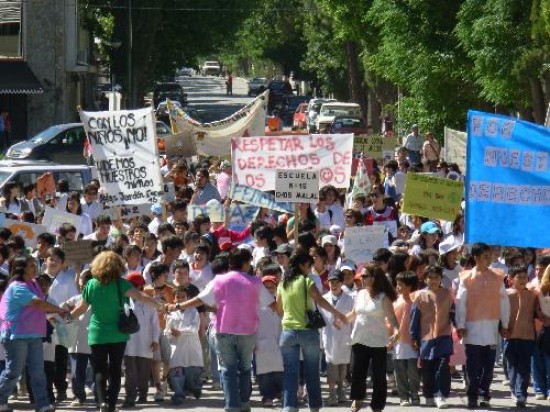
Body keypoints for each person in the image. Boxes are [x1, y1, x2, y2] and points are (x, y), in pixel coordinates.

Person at [165, 248, 275, 412]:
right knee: (245, 369)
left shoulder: (219, 280)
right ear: (245, 263)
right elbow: (273, 304)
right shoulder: (255, 282)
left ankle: (231, 406)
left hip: (224, 331)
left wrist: (177, 306)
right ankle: (244, 403)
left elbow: (199, 299)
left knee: (228, 369)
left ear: (231, 263)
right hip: (248, 332)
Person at [69, 251, 163, 412]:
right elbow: (141, 297)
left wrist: (65, 318)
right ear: (118, 267)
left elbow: (81, 309)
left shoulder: (91, 284)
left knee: (99, 370)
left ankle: (101, 403)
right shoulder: (122, 284)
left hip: (97, 334)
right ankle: (112, 404)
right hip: (118, 334)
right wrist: (160, 306)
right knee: (115, 369)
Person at [276, 252, 348, 412]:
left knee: (290, 372)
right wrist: (338, 313)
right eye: (308, 265)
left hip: (288, 331)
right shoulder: (306, 281)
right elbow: (320, 300)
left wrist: (289, 317)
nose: (310, 269)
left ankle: (289, 406)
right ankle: (314, 406)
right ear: (302, 265)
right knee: (312, 371)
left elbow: (279, 309)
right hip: (308, 331)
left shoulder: (283, 284)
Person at [0, 256, 68, 412]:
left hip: (34, 334)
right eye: (31, 266)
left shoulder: (34, 283)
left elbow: (40, 305)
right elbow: (37, 303)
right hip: (15, 335)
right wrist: (59, 310)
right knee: (13, 372)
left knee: (38, 372)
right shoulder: (17, 286)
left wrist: (58, 310)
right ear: (21, 268)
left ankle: (42, 404)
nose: (35, 268)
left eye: (35, 265)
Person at [456, 242, 511, 409]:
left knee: (488, 367)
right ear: (476, 258)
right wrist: (460, 324)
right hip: (472, 329)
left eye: (490, 256)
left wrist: (505, 323)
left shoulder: (497, 276)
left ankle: (484, 393)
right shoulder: (466, 278)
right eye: (485, 256)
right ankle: (472, 394)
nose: (489, 259)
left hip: (492, 328)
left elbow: (504, 302)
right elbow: (461, 303)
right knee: (473, 367)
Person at [346, 263, 399, 412]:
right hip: (359, 338)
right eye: (361, 275)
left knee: (379, 377)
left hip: (378, 342)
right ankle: (358, 398)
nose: (361, 278)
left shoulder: (384, 298)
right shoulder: (360, 293)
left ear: (374, 278)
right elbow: (353, 313)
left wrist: (396, 331)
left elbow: (392, 318)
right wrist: (340, 319)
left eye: (365, 276)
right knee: (357, 373)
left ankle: (377, 406)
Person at [410, 265, 454, 409]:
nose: (433, 280)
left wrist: (459, 327)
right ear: (425, 279)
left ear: (441, 278)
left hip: (444, 335)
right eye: (430, 277)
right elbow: (414, 318)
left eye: (436, 277)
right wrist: (413, 337)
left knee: (443, 366)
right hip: (425, 338)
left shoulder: (448, 294)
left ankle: (441, 395)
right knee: (427, 368)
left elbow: (453, 313)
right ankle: (429, 395)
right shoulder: (419, 296)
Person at [122, 272, 160, 408]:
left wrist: (155, 340)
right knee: (130, 372)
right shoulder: (124, 301)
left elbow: (155, 324)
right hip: (128, 343)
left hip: (146, 343)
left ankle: (143, 395)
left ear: (140, 287)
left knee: (144, 372)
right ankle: (130, 397)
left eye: (132, 286)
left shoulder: (149, 302)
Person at [319, 269, 354, 406]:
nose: (333, 284)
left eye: (337, 282)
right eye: (331, 281)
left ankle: (341, 391)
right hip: (329, 335)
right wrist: (321, 341)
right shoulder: (323, 299)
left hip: (344, 335)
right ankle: (332, 393)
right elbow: (322, 320)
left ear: (341, 282)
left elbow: (353, 318)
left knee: (342, 366)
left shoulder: (349, 298)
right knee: (331, 365)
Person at [504, 265, 537, 408]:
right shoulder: (506, 294)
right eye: (519, 277)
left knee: (524, 368)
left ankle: (521, 394)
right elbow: (501, 314)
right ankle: (514, 390)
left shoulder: (532, 295)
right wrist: (501, 329)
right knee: (512, 367)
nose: (523, 280)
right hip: (510, 336)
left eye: (525, 277)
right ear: (511, 279)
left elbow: (537, 312)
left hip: (528, 336)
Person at [165, 285, 203, 405]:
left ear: (188, 298)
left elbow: (194, 327)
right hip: (176, 347)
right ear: (174, 299)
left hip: (191, 345)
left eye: (183, 297)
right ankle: (179, 394)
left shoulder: (193, 311)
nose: (180, 299)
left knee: (192, 371)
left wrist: (181, 331)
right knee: (177, 371)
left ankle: (194, 387)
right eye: (178, 297)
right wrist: (171, 332)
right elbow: (166, 330)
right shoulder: (171, 314)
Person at [392, 271, 420, 407]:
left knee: (413, 371)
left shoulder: (416, 301)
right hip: (398, 342)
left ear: (409, 287)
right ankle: (403, 396)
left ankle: (414, 393)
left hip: (412, 342)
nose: (397, 287)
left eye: (400, 284)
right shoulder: (396, 301)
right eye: (397, 284)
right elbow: (389, 321)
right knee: (400, 371)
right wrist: (389, 339)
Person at [255, 273, 283, 408]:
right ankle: (267, 396)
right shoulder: (256, 305)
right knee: (264, 374)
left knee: (279, 372)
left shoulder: (281, 304)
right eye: (266, 288)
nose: (269, 290)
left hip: (279, 342)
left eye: (272, 287)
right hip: (262, 343)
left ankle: (280, 393)